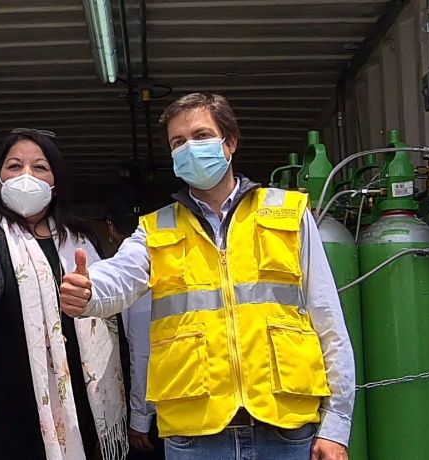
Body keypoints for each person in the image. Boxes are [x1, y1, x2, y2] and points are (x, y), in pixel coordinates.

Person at [58, 93, 355, 460]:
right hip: (195, 437)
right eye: (178, 143)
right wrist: (89, 291)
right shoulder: (156, 229)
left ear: (229, 143)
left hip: (285, 432)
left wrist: (337, 426)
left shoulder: (287, 213)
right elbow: (118, 276)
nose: (189, 148)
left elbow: (329, 322)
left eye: (200, 136)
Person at [0, 129, 128, 460]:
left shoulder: (81, 241)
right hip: (5, 413)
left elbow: (110, 305)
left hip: (81, 405)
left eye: (40, 167)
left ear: (55, 183)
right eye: (15, 166)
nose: (26, 176)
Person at [105, 209, 163, 460]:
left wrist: (140, 417)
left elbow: (143, 354)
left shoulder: (133, 277)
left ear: (110, 228)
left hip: (154, 410)